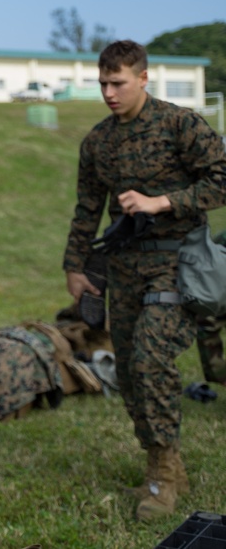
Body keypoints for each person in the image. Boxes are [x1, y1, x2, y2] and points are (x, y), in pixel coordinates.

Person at [63, 40, 226, 521]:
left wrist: (163, 202)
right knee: (132, 372)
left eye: (118, 83)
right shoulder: (97, 142)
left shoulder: (180, 124)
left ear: (143, 78)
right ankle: (166, 461)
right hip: (124, 269)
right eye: (102, 84)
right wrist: (76, 267)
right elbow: (87, 209)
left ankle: (162, 478)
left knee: (152, 359)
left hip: (177, 263)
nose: (109, 93)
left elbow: (222, 179)